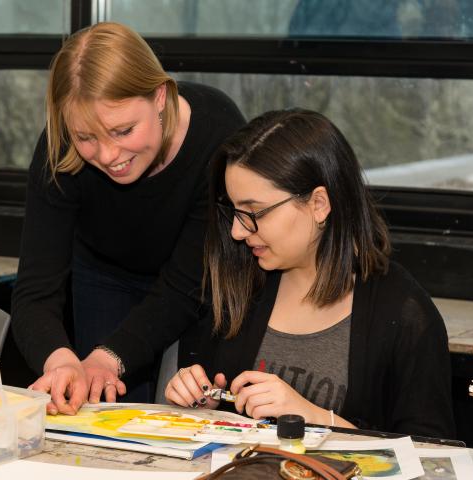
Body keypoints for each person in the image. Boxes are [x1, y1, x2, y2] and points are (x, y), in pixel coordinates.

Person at [165, 109, 456, 438]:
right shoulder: (243, 284)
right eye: (233, 210)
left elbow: (433, 458)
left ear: (319, 204)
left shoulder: (403, 313)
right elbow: (232, 424)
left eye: (253, 212)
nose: (236, 231)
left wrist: (313, 417)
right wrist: (206, 408)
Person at [11, 22, 246, 415]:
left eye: (123, 130)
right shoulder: (60, 147)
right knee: (106, 413)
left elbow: (186, 285)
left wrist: (110, 356)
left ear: (159, 96)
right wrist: (61, 361)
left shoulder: (218, 134)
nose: (107, 155)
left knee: (192, 416)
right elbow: (35, 290)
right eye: (86, 137)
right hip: (105, 275)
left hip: (200, 284)